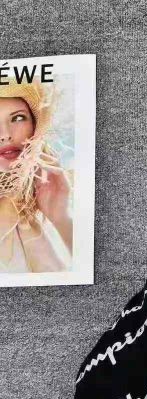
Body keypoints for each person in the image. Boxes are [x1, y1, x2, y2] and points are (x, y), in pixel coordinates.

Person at [0, 78, 73, 273]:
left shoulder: (57, 199)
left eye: (17, 118)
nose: (5, 134)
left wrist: (61, 217)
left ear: (34, 125)